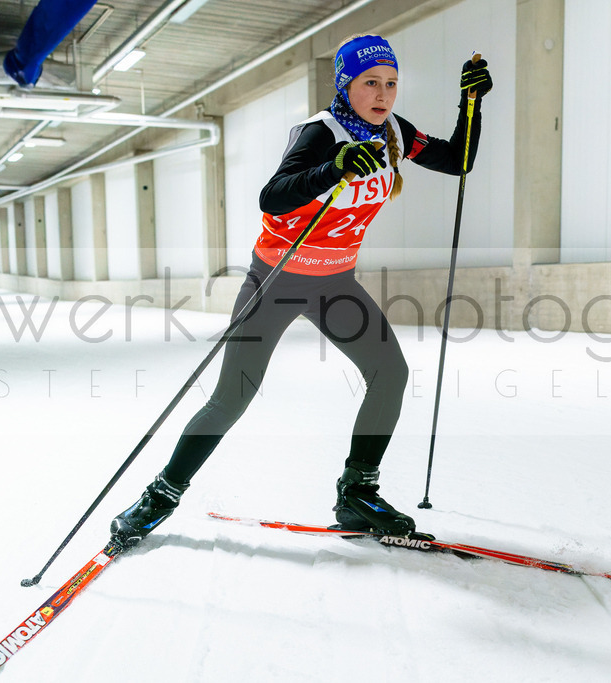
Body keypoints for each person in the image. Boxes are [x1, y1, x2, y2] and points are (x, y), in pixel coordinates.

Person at [110, 34, 493, 546]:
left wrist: (471, 105)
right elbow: (272, 198)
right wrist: (332, 168)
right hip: (277, 280)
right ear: (345, 84)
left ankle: (357, 492)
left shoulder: (396, 132)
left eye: (391, 84)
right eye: (370, 83)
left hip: (334, 282)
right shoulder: (321, 132)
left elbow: (457, 160)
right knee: (233, 396)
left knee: (390, 373)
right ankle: (160, 496)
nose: (383, 94)